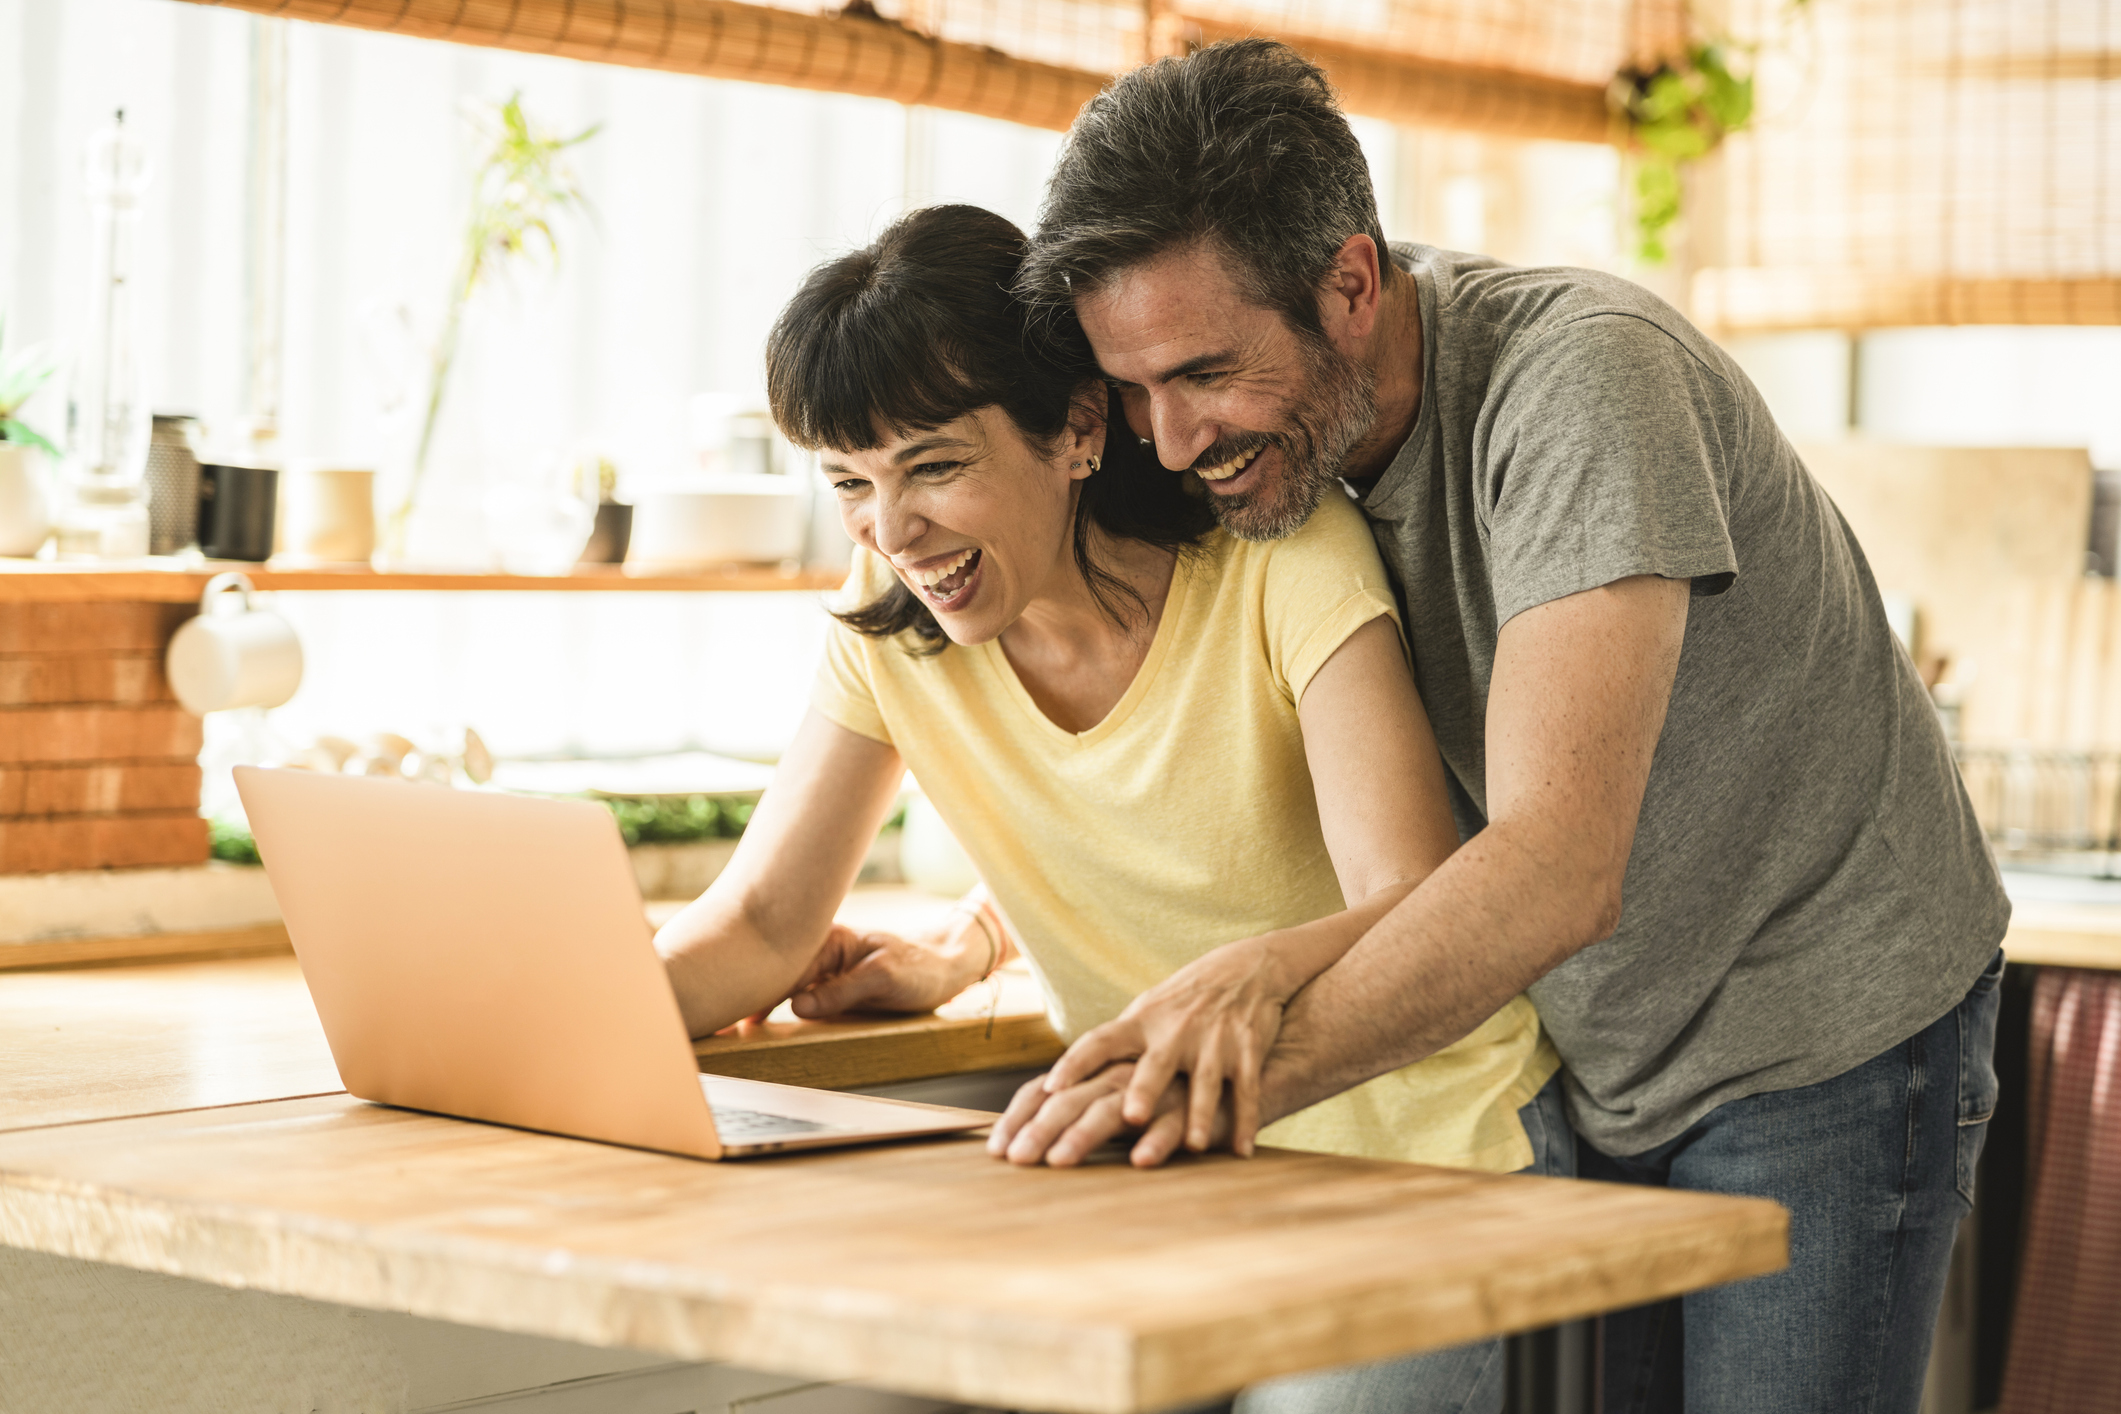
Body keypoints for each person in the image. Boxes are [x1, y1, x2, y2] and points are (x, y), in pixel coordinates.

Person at [987, 38, 2009, 1414]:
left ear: (1351, 281)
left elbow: (1553, 865)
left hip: (1817, 1026)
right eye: (1132, 389)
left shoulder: (1583, 385)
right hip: (1602, 1050)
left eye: (1204, 373)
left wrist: (1203, 1089)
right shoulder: (1281, 464)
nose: (1169, 440)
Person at [653, 203, 1562, 1413]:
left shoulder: (1282, 563)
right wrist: (551, 1031)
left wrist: (1245, 970)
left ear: (1078, 430)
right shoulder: (892, 616)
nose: (894, 528)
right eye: (850, 482)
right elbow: (766, 920)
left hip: (1426, 1158)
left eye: (935, 465)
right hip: (1165, 1172)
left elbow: (1409, 896)